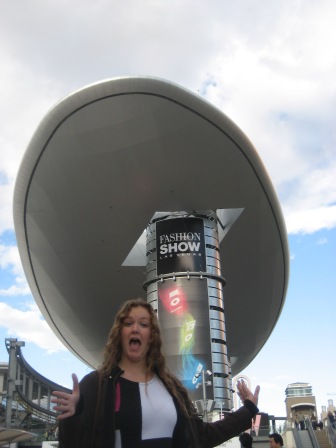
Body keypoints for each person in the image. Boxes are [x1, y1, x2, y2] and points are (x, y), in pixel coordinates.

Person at [52, 298, 260, 448]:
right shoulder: (97, 384)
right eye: (128, 323)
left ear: (152, 336)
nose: (135, 329)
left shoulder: (173, 388)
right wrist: (73, 416)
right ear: (119, 333)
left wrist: (249, 409)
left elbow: (203, 436)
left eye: (143, 324)